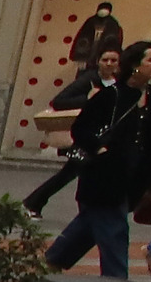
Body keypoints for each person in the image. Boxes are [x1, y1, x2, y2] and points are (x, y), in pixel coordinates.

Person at [40, 39, 151, 280]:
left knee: (91, 224)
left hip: (136, 177)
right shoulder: (110, 96)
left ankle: (53, 260)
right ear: (134, 64)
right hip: (104, 175)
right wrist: (100, 149)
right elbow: (81, 129)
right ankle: (116, 281)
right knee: (114, 227)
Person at [23, 44, 124, 220]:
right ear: (97, 62)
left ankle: (83, 212)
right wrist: (87, 99)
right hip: (84, 137)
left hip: (104, 138)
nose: (109, 64)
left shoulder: (119, 83)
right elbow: (59, 102)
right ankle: (34, 202)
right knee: (71, 172)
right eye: (105, 60)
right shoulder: (88, 80)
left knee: (84, 174)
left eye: (113, 60)